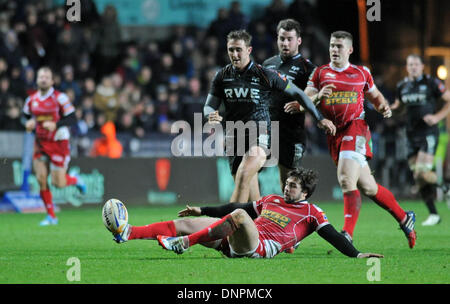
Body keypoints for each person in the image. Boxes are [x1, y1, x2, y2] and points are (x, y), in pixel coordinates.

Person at [109, 168, 383, 259]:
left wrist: (356, 254)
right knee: (186, 222)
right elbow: (231, 209)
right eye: (287, 183)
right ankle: (128, 232)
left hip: (258, 247)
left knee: (241, 217)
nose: (286, 187)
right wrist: (202, 209)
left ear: (305, 193)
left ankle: (185, 244)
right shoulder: (272, 198)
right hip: (233, 239)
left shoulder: (312, 212)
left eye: (293, 186)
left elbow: (333, 235)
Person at [304, 31, 416, 248]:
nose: (334, 50)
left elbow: (376, 97)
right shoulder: (320, 73)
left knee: (346, 179)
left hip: (356, 129)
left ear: (349, 50)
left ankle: (347, 234)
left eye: (339, 46)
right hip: (333, 134)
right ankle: (405, 218)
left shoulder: (361, 73)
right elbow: (306, 99)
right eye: (332, 46)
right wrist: (319, 96)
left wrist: (383, 107)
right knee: (369, 187)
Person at [203, 29, 335, 204]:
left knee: (243, 175)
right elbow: (208, 106)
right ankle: (261, 225)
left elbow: (299, 94)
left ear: (248, 50)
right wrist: (210, 114)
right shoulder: (222, 76)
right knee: (251, 197)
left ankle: (223, 225)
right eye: (231, 50)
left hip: (260, 135)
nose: (234, 54)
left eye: (238, 50)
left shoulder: (265, 74)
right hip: (234, 136)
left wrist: (319, 117)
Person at [391, 54, 450, 226]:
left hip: (428, 133)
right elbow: (400, 107)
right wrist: (389, 109)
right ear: (407, 67)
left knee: (422, 172)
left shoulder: (431, 83)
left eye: (416, 64)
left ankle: (446, 188)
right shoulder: (402, 85)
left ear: (422, 66)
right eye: (410, 64)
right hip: (410, 134)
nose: (413, 67)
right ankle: (434, 214)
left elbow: (448, 101)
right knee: (418, 177)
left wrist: (437, 117)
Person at [23, 66, 86, 226]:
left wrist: (57, 125)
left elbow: (72, 119)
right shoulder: (31, 100)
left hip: (58, 142)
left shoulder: (60, 98)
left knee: (59, 183)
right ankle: (51, 216)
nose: (43, 79)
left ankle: (75, 179)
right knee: (41, 178)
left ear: (51, 81)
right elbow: (24, 117)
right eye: (40, 77)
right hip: (40, 142)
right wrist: (28, 122)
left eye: (46, 77)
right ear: (37, 80)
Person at [262, 19, 316, 191]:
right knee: (247, 169)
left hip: (291, 133)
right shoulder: (267, 64)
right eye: (281, 38)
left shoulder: (308, 69)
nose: (285, 43)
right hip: (266, 129)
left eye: (289, 39)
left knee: (288, 183)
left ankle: (299, 213)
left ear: (298, 41)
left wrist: (302, 105)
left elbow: (316, 97)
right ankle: (251, 214)